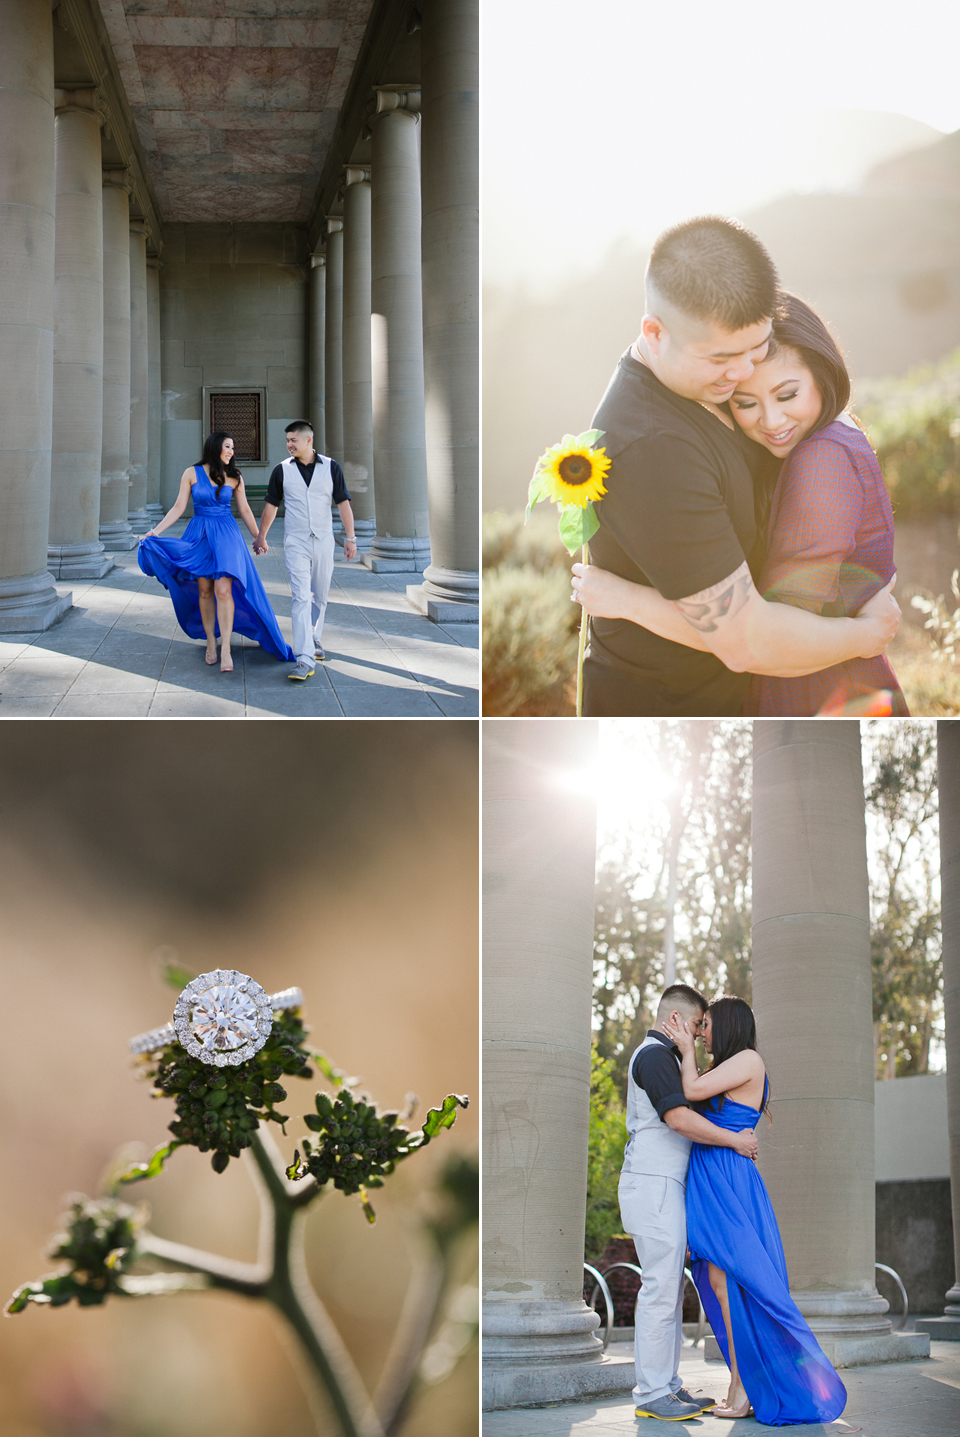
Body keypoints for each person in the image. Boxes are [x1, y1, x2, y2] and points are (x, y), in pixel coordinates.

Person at [573, 215, 900, 716]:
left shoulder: (714, 387)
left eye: (758, 347)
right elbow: (746, 639)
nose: (745, 372)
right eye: (724, 357)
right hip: (669, 706)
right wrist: (862, 635)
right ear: (654, 333)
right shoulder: (654, 446)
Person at [662, 996, 847, 1424]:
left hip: (729, 1178)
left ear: (725, 1026)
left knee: (739, 1281)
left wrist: (686, 1051)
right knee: (716, 1279)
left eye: (705, 1025)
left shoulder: (748, 1060)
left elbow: (689, 1092)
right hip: (711, 1175)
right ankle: (742, 1381)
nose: (700, 1032)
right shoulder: (726, 1066)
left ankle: (744, 1386)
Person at [619, 983, 759, 1422]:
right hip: (654, 1184)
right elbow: (679, 1119)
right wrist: (735, 1140)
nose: (701, 1034)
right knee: (660, 1289)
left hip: (665, 1186)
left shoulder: (669, 1057)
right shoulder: (654, 1056)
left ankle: (668, 1386)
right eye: (698, 1024)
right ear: (676, 1019)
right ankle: (651, 1393)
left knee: (668, 1288)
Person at [138, 432, 294, 672]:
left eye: (233, 447)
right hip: (199, 534)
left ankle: (226, 649)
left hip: (227, 535)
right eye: (227, 446)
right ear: (214, 447)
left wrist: (258, 536)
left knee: (223, 590)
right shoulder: (191, 473)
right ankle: (211, 641)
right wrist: (155, 531)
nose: (231, 451)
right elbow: (179, 507)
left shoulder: (234, 477)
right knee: (204, 590)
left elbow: (244, 510)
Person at [254, 421, 358, 682]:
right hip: (296, 541)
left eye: (293, 440)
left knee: (320, 596)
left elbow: (343, 503)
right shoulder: (281, 470)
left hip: (323, 541)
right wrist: (261, 536)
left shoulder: (331, 467)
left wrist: (351, 538)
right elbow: (271, 505)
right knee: (301, 596)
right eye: (287, 440)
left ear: (308, 441)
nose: (289, 444)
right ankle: (304, 658)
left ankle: (313, 638)